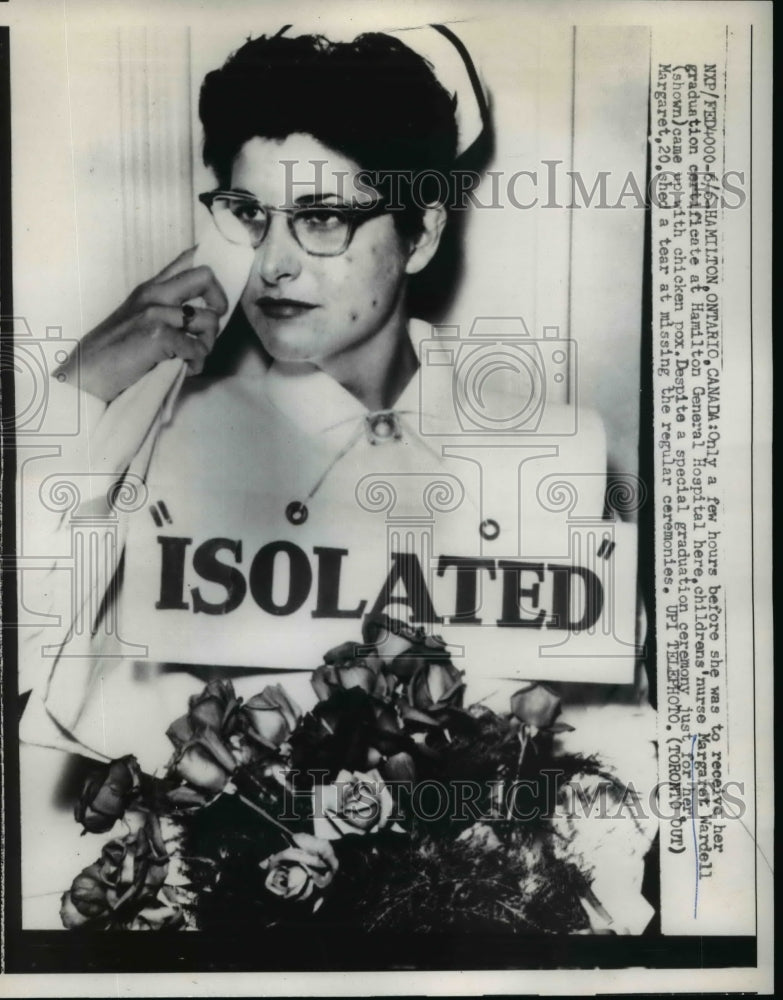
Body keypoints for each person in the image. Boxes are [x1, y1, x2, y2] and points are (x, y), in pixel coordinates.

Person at [19, 30, 656, 932]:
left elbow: (612, 762)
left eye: (321, 219)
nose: (273, 262)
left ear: (420, 232)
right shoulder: (155, 447)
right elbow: (36, 658)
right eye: (250, 214)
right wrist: (81, 390)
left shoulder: (551, 452)